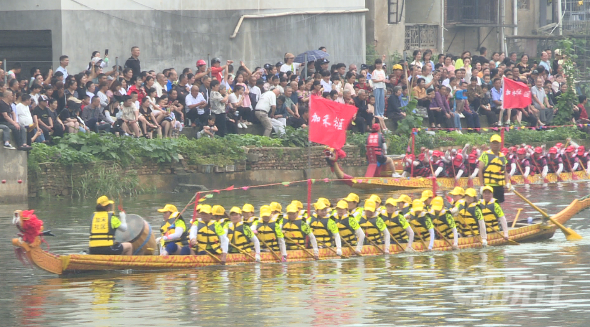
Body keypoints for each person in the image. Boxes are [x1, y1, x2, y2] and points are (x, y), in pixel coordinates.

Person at [478, 134, 511, 203]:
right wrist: (481, 185)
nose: (495, 145)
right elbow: (480, 170)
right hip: (488, 186)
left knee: (498, 205)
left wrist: (507, 183)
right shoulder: (485, 154)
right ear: (490, 144)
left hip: (499, 186)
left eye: (497, 143)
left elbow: (504, 171)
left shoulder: (502, 156)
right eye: (493, 143)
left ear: (500, 144)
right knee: (487, 205)